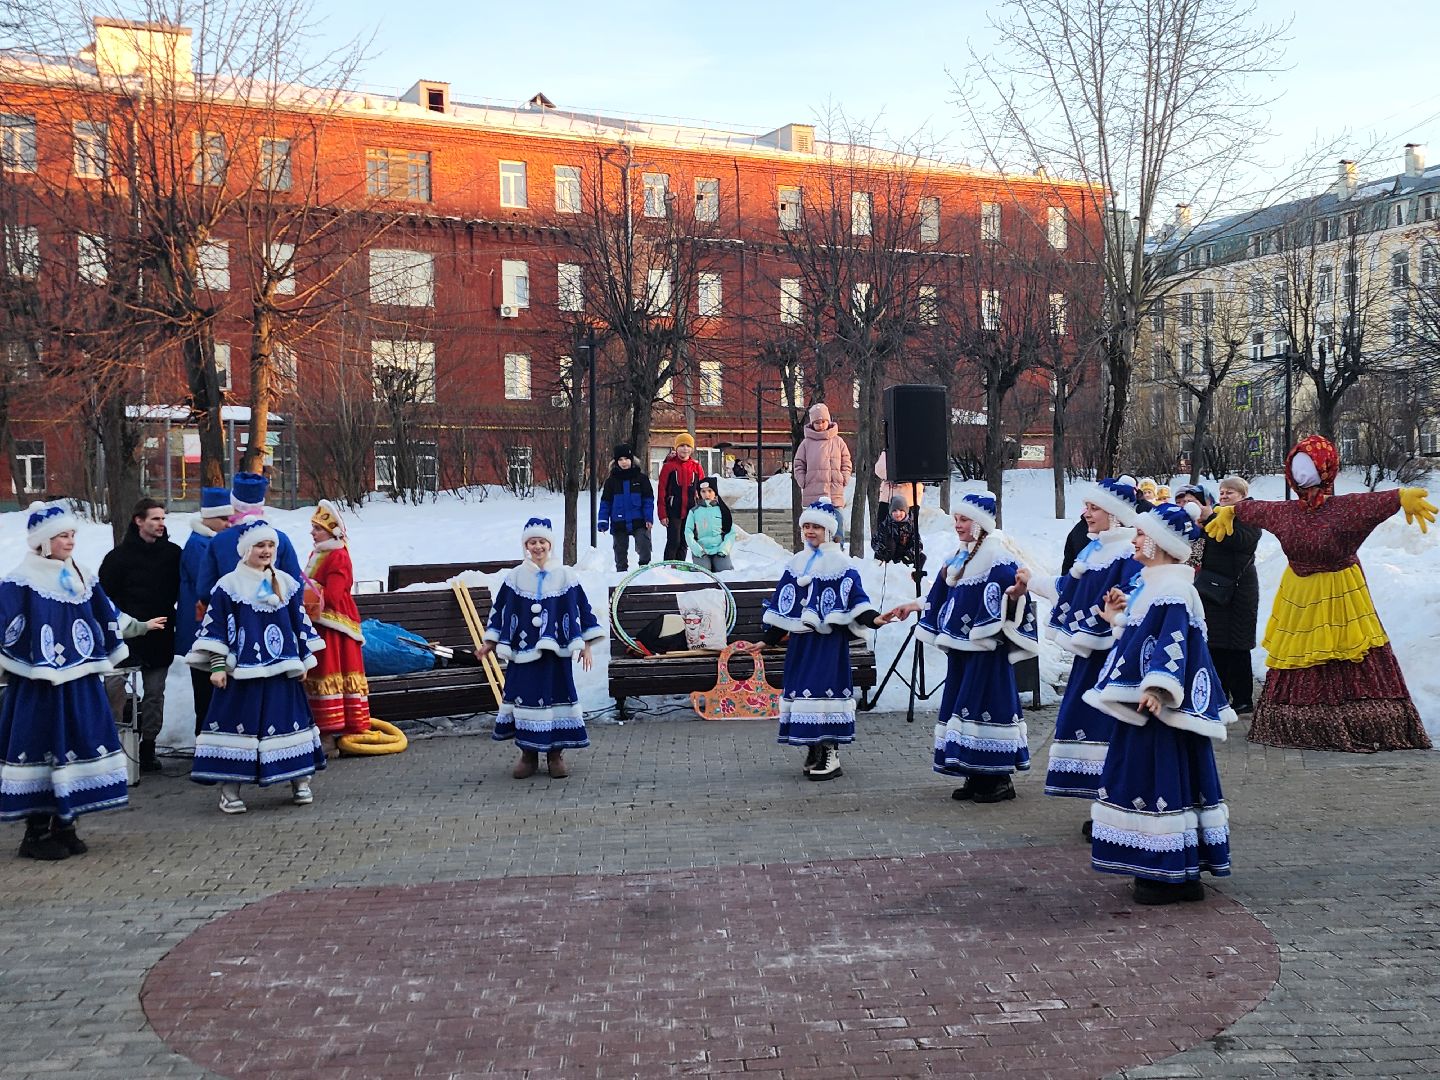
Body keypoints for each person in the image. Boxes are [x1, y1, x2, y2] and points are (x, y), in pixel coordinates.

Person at [1205, 435, 1434, 752]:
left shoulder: (1344, 509)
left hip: (1341, 591)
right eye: (1296, 467)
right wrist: (1233, 512)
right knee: (1300, 650)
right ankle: (1296, 722)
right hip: (1299, 593)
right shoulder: (1287, 512)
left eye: (1309, 466)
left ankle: (1361, 719)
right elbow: (1259, 509)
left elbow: (1371, 503)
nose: (1302, 474)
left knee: (1346, 647)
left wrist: (1400, 497)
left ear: (1327, 469)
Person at [1084, 502, 1236, 905]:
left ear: (1161, 542)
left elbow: (1174, 644)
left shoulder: (1172, 590)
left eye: (1141, 534)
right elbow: (1142, 642)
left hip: (1157, 709)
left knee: (1159, 777)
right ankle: (1172, 869)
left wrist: (1157, 690)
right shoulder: (1152, 585)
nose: (1134, 540)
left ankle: (1167, 872)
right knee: (1161, 779)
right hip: (1148, 705)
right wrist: (1115, 618)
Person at [1, 503, 165, 859]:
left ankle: (66, 824)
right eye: (63, 535)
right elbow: (5, 624)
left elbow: (107, 613)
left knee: (76, 743)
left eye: (72, 534)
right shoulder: (21, 580)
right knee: (43, 747)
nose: (70, 541)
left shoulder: (81, 576)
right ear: (44, 541)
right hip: (40, 688)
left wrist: (139, 626)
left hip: (80, 683)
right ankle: (36, 834)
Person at [880, 492, 1037, 804]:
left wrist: (1015, 596)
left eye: (964, 519)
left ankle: (998, 778)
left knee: (987, 705)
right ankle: (974, 772)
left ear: (980, 523)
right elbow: (941, 595)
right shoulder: (958, 558)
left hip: (986, 651)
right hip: (962, 651)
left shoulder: (997, 557)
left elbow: (1013, 597)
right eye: (956, 519)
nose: (958, 525)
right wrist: (912, 606)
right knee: (963, 707)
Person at [1016, 479, 1142, 831]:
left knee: (1110, 727)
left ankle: (1119, 807)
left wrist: (1120, 610)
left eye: (1094, 507)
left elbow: (1137, 599)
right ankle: (1105, 804)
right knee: (1089, 724)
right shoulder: (1093, 551)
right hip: (1092, 658)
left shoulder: (1128, 554)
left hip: (1116, 659)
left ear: (1114, 514)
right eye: (1086, 506)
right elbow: (1068, 589)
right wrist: (1032, 580)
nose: (1086, 513)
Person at [187, 524, 327, 814]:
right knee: (237, 727)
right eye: (260, 546)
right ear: (246, 550)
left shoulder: (286, 583)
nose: (266, 551)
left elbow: (298, 624)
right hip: (243, 675)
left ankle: (300, 780)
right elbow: (216, 628)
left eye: (270, 546)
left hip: (282, 672)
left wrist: (303, 659)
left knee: (290, 724)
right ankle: (230, 790)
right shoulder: (228, 585)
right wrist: (217, 666)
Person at [745, 501, 879, 782]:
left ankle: (830, 752)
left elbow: (856, 598)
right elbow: (785, 604)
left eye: (816, 526)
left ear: (829, 530)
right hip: (801, 644)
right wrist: (768, 640)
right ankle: (814, 748)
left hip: (827, 644)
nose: (810, 531)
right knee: (804, 694)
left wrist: (874, 619)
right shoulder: (797, 563)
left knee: (823, 692)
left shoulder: (841, 564)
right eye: (806, 526)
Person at [477, 517, 604, 780]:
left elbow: (583, 608)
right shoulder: (515, 577)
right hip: (522, 654)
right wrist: (490, 642)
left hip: (555, 654)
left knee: (556, 697)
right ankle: (528, 754)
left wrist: (587, 644)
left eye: (542, 542)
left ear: (550, 544)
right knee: (525, 698)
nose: (537, 547)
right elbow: (500, 611)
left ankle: (555, 755)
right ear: (526, 546)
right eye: (532, 542)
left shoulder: (565, 576)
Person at [98, 497, 181, 773]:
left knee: (155, 693)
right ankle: (114, 745)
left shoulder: (173, 554)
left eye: (163, 519)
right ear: (139, 521)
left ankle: (148, 747)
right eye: (155, 518)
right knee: (114, 689)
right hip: (124, 637)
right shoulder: (117, 558)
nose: (161, 524)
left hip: (160, 635)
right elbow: (103, 600)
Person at [1176, 480, 1260, 713]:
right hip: (1213, 589)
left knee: (1238, 646)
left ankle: (1243, 699)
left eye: (1229, 492)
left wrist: (1211, 518)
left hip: (1238, 591)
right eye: (1221, 492)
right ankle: (1221, 694)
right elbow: (1200, 550)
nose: (1223, 496)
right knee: (1216, 643)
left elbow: (1241, 541)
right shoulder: (1218, 517)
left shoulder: (1249, 514)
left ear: (1243, 494)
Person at [303, 501, 371, 755]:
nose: (312, 533)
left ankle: (332, 733)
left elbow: (333, 594)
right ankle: (325, 731)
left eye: (317, 529)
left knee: (329, 675)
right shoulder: (319, 553)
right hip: (320, 625)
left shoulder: (338, 555)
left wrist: (306, 592)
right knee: (320, 675)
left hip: (334, 628)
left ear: (330, 532)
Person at [197, 472, 303, 614]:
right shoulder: (280, 539)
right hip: (274, 614)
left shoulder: (219, 541)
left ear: (233, 504)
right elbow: (294, 583)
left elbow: (205, 589)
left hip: (231, 614)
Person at [177, 487, 233, 737]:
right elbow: (212, 586)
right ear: (208, 517)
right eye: (223, 518)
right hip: (201, 629)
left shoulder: (208, 542)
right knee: (206, 690)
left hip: (208, 627)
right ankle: (205, 740)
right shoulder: (199, 546)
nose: (228, 523)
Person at [791, 404, 853, 544]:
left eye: (823, 421)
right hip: (814, 494)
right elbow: (798, 464)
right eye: (817, 422)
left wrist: (844, 478)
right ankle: (814, 553)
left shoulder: (838, 441)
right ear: (812, 423)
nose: (820, 425)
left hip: (834, 493)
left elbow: (846, 461)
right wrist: (803, 481)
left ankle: (838, 551)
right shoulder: (806, 443)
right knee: (815, 530)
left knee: (838, 526)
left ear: (828, 421)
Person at [597, 444, 655, 572]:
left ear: (632, 460)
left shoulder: (642, 479)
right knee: (620, 550)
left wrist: (648, 518)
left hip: (639, 520)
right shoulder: (611, 481)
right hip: (619, 522)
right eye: (620, 459)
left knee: (644, 545)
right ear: (616, 462)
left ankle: (644, 569)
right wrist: (603, 521)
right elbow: (605, 503)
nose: (624, 462)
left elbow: (648, 501)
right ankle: (621, 572)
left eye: (626, 459)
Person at [657, 434, 705, 562]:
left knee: (685, 541)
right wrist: (662, 514)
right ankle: (668, 566)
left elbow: (703, 490)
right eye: (682, 446)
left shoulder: (696, 467)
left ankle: (680, 566)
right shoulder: (669, 467)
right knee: (674, 540)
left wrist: (703, 511)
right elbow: (662, 491)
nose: (685, 449)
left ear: (692, 449)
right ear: (676, 448)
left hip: (691, 510)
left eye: (688, 446)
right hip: (674, 510)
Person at [684, 476, 736, 571]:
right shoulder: (694, 512)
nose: (706, 494)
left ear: (715, 492)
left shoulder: (722, 510)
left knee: (725, 571)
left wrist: (723, 550)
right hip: (701, 551)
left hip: (719, 550)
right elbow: (688, 532)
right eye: (703, 491)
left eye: (710, 491)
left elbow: (730, 532)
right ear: (699, 493)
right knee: (703, 571)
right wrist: (697, 550)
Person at [871, 494, 919, 566]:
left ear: (906, 511)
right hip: (887, 558)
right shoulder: (885, 524)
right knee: (890, 543)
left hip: (904, 557)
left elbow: (918, 543)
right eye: (894, 510)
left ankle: (912, 571)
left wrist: (909, 554)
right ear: (891, 512)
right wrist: (883, 550)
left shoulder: (910, 525)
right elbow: (875, 542)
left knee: (921, 557)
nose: (898, 513)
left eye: (901, 510)